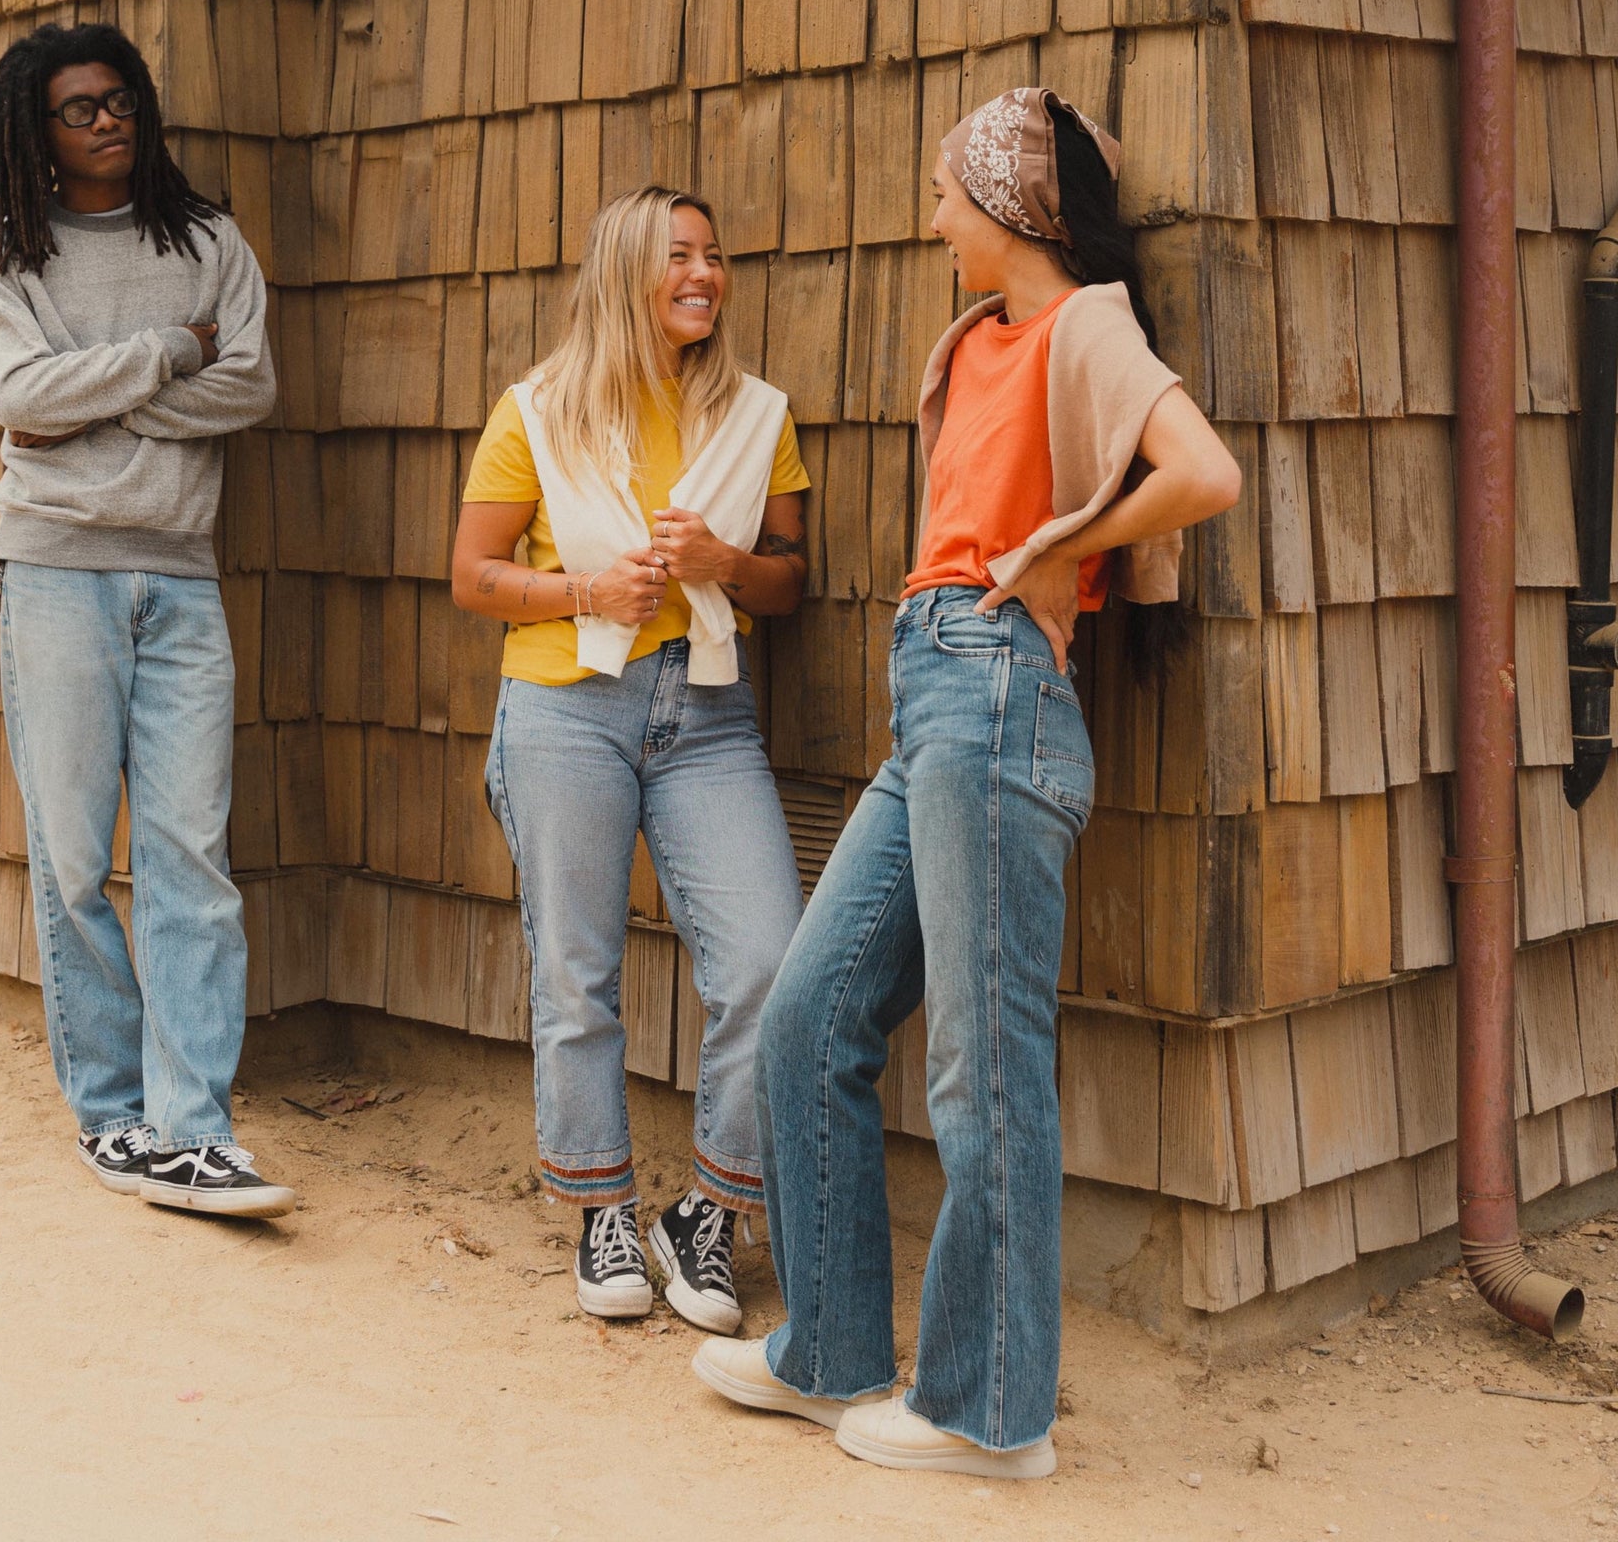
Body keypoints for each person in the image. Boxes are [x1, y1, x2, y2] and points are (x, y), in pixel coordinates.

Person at [692, 90, 1242, 1469]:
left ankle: (992, 1415)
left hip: (997, 691)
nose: (933, 216)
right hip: (935, 695)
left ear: (1011, 206)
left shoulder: (1086, 322)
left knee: (983, 1075)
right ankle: (831, 1353)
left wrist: (1067, 538)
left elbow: (1205, 472)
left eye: (949, 192)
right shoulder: (981, 341)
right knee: (811, 1017)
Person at [450, 187, 810, 1334]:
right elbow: (471, 573)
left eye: (713, 254)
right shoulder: (538, 411)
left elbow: (790, 580)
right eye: (676, 257)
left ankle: (704, 1213)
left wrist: (723, 558)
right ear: (623, 274)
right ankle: (600, 1204)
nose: (703, 273)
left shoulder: (755, 415)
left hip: (703, 711)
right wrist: (585, 591)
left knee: (768, 960)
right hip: (565, 705)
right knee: (576, 968)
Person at [0, 22, 293, 1219]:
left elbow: (248, 383)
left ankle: (194, 1128)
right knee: (70, 850)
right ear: (34, 133)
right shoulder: (1, 259)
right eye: (79, 109)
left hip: (181, 578)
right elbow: (18, 397)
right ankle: (112, 1113)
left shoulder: (207, 239)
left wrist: (94, 405)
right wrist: (164, 352)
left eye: (120, 100)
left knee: (190, 855)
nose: (108, 121)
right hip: (54, 574)